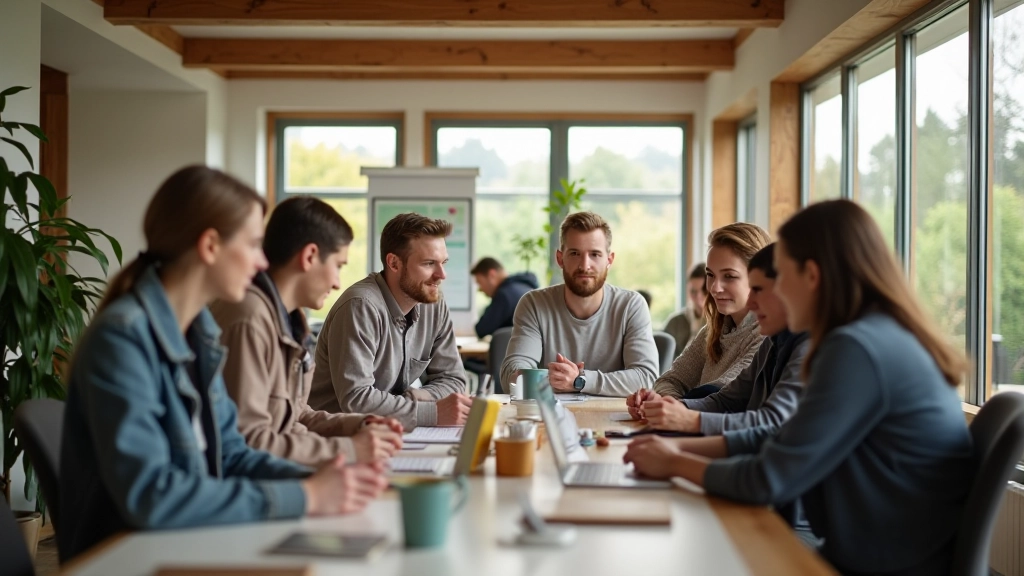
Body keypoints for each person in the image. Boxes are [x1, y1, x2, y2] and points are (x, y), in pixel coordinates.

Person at [623, 200, 974, 576]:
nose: (767, 295)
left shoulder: (855, 349)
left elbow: (769, 476)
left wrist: (675, 462)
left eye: (780, 277)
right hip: (875, 551)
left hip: (883, 564)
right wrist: (673, 447)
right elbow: (779, 436)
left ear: (812, 275)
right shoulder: (871, 334)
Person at [59, 166, 387, 562]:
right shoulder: (123, 338)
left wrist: (331, 482)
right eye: (252, 245)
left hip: (188, 541)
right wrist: (306, 495)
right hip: (131, 559)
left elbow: (231, 453)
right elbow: (152, 495)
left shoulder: (199, 335)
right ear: (210, 246)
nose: (261, 262)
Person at [210, 196, 403, 467]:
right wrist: (349, 449)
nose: (337, 283)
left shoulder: (289, 318)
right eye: (338, 266)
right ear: (310, 256)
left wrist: (359, 424)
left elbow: (295, 416)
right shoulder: (249, 318)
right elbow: (249, 441)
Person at [308, 213, 473, 430]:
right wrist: (431, 412)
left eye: (443, 263)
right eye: (429, 263)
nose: (441, 275)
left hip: (389, 432)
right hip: (337, 436)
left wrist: (419, 397)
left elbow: (455, 380)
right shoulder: (360, 306)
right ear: (394, 263)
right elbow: (356, 399)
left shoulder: (433, 303)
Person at [635, 243, 810, 436]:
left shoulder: (800, 344)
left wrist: (685, 418)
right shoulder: (773, 341)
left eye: (758, 289)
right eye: (710, 275)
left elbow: (770, 423)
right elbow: (726, 399)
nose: (714, 288)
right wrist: (672, 408)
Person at [500, 211, 659, 397]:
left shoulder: (631, 306)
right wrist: (554, 378)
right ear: (560, 259)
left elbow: (646, 378)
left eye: (595, 254)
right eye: (575, 253)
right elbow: (510, 377)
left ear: (609, 260)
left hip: (614, 422)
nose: (585, 265)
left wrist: (579, 380)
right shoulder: (534, 304)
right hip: (549, 420)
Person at [629, 223, 769, 409]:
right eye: (710, 275)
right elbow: (669, 380)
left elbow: (723, 395)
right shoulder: (712, 330)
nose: (714, 288)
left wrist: (671, 407)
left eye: (729, 276)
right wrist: (667, 405)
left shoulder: (767, 333)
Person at [470, 256, 539, 338]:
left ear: (491, 275)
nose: (480, 289)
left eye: (480, 282)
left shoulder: (504, 295)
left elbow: (481, 329)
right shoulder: (526, 288)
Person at [662, 262, 708, 353]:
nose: (698, 297)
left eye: (704, 291)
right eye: (693, 291)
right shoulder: (675, 322)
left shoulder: (720, 324)